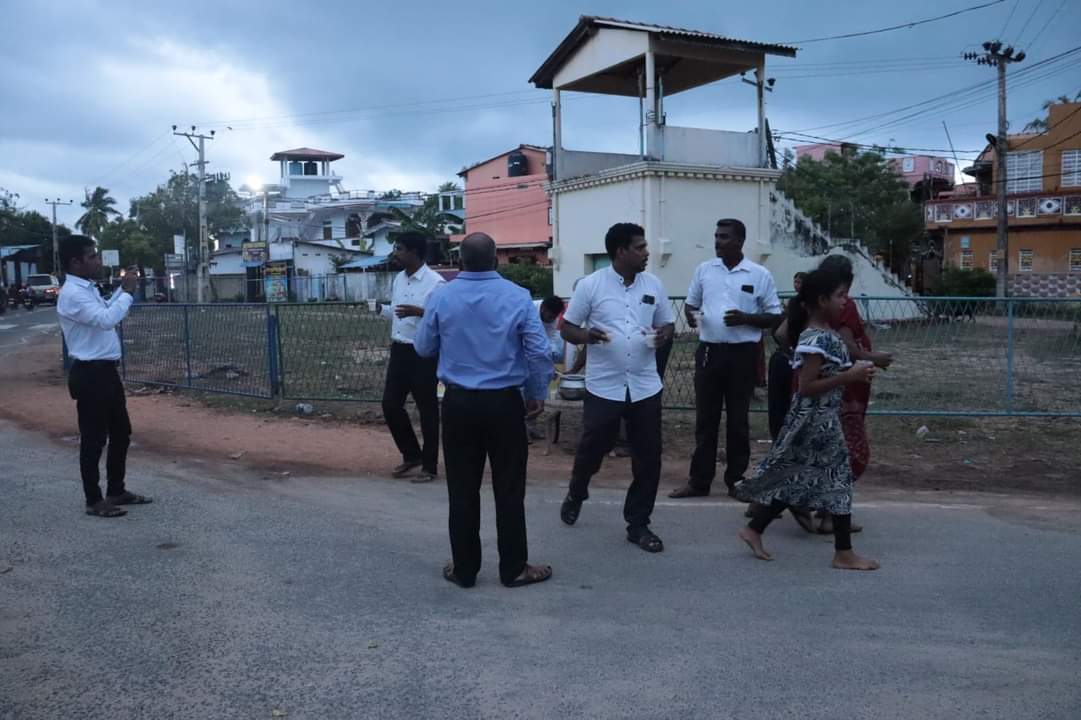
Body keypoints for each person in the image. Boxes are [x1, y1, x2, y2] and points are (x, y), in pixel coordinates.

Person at [414, 232, 554, 589]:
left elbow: (423, 347)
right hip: (505, 404)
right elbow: (539, 352)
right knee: (509, 488)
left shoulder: (441, 296)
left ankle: (464, 570)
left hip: (459, 403)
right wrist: (536, 393)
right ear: (495, 260)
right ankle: (514, 568)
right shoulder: (518, 296)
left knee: (462, 489)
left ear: (460, 261)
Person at [735, 267, 880, 571]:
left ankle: (755, 528)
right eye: (840, 295)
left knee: (798, 478)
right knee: (838, 480)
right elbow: (806, 386)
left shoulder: (825, 332)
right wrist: (848, 376)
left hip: (822, 418)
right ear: (822, 300)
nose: (845, 301)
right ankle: (843, 552)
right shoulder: (815, 337)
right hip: (817, 421)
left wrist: (852, 372)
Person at [559, 222, 675, 553]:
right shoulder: (591, 286)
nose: (646, 253)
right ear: (621, 252)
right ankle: (577, 491)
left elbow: (667, 322)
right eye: (640, 247)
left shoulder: (653, 284)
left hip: (645, 385)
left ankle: (638, 524)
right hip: (604, 386)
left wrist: (664, 334)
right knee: (592, 447)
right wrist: (587, 336)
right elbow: (567, 328)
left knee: (648, 457)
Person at [669, 219, 782, 500]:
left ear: (740, 241)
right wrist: (692, 317)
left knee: (738, 420)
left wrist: (746, 318)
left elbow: (774, 316)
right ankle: (699, 481)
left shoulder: (758, 274)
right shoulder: (705, 270)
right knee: (705, 420)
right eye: (717, 236)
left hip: (743, 355)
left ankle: (736, 480)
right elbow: (691, 304)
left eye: (724, 237)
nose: (718, 241)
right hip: (709, 352)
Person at [57, 235, 152, 518]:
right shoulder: (72, 294)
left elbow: (106, 310)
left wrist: (122, 290)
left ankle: (116, 490)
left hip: (106, 373)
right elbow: (106, 320)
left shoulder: (86, 289)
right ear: (76, 261)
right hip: (90, 375)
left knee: (121, 433)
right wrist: (128, 293)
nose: (97, 261)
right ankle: (94, 500)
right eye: (92, 256)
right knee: (93, 440)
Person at [816, 254, 893, 534]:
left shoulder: (812, 304)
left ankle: (823, 511)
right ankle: (831, 517)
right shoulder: (843, 306)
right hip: (844, 389)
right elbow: (848, 346)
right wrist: (874, 358)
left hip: (826, 387)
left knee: (822, 452)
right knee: (848, 454)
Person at [376, 232, 445, 483]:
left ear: (415, 252)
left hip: (423, 353)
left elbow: (444, 318)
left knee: (427, 410)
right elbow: (398, 313)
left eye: (400, 249)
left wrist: (419, 311)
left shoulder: (436, 283)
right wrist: (381, 310)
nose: (396, 253)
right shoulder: (399, 279)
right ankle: (411, 454)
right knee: (390, 404)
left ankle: (429, 466)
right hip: (399, 350)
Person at [766, 271, 807, 441]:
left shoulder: (797, 303)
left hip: (786, 357)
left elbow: (779, 333)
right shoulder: (801, 304)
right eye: (795, 281)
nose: (796, 285)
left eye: (800, 282)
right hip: (794, 360)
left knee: (780, 406)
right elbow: (781, 334)